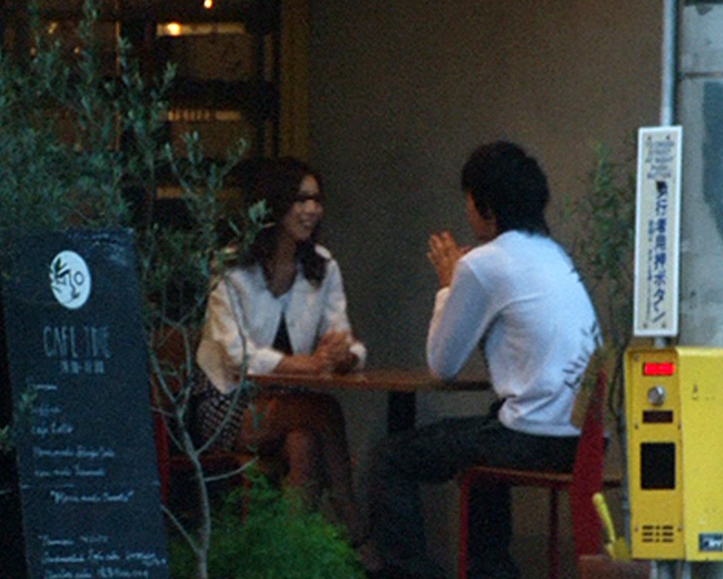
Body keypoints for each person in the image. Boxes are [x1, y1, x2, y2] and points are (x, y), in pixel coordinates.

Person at [367, 141, 600, 579]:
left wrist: (448, 283)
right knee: (489, 428)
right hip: (583, 438)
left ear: (486, 208)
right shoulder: (553, 253)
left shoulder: (484, 264)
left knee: (391, 458)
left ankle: (412, 574)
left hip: (534, 439)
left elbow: (442, 365)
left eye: (470, 201)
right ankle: (490, 569)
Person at [194, 156, 369, 548]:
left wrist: (345, 355)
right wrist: (302, 365)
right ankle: (352, 520)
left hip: (291, 403)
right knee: (324, 410)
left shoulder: (323, 266)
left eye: (317, 200)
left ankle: (288, 552)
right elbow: (236, 355)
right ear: (273, 204)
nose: (312, 210)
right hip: (229, 401)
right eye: (300, 200)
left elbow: (344, 337)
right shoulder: (231, 266)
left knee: (303, 442)